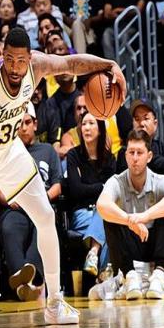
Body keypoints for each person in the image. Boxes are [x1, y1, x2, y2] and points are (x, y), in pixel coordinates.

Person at [0, 27, 126, 328]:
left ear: (29, 58)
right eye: (9, 60)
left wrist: (109, 64)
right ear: (1, 56)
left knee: (46, 216)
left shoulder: (37, 66)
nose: (15, 67)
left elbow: (71, 63)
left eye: (20, 61)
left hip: (9, 151)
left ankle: (54, 302)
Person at [96, 130, 164, 300]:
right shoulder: (116, 181)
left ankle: (159, 275)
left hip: (154, 243)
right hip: (129, 245)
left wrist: (144, 216)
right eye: (131, 152)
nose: (135, 158)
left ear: (149, 156)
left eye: (140, 153)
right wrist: (130, 221)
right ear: (125, 155)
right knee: (110, 216)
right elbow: (101, 204)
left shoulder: (160, 180)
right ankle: (129, 276)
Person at [0, 103, 62, 301]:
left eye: (27, 122)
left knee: (43, 227)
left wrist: (41, 199)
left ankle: (29, 281)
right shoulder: (7, 152)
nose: (23, 128)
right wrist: (9, 198)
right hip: (16, 208)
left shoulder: (48, 150)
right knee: (8, 227)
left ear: (35, 124)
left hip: (42, 205)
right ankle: (24, 281)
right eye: (19, 124)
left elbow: (58, 185)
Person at [67, 112, 116, 276]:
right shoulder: (74, 155)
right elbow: (75, 190)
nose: (86, 128)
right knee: (109, 225)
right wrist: (100, 186)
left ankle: (93, 254)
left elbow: (111, 192)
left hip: (103, 213)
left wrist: (88, 188)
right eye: (84, 124)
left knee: (106, 215)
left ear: (100, 129)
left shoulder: (109, 159)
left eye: (91, 123)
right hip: (83, 213)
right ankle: (103, 276)